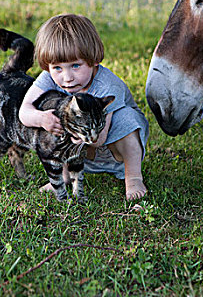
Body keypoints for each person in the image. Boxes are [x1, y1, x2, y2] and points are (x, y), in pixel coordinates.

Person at [19, 14, 149, 200]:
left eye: (75, 66)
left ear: (93, 60)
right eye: (57, 68)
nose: (67, 77)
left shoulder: (107, 86)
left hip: (114, 154)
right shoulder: (49, 77)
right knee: (55, 113)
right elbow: (24, 112)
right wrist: (43, 119)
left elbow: (99, 138)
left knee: (126, 117)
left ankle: (134, 178)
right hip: (79, 155)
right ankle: (64, 175)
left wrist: (73, 132)